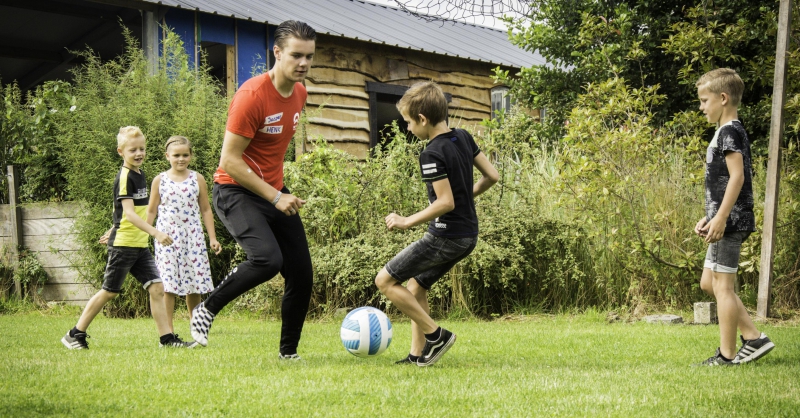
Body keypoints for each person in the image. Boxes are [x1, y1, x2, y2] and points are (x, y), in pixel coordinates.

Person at [190, 20, 316, 360]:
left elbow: (270, 152)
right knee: (266, 259)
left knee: (302, 274)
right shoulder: (251, 96)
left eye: (309, 57)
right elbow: (229, 161)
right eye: (296, 55)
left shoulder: (300, 93)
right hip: (234, 191)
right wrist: (275, 196)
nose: (303, 63)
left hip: (274, 191)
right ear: (277, 52)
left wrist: (278, 192)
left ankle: (288, 353)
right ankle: (207, 308)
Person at [374, 81, 499, 367]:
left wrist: (407, 221)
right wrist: (467, 194)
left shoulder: (430, 153)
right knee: (416, 286)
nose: (407, 128)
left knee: (385, 280)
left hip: (446, 236)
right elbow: (491, 176)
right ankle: (418, 354)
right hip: (467, 235)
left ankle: (436, 335)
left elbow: (445, 203)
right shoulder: (464, 137)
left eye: (407, 122)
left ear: (422, 119)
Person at [61, 126, 194, 349]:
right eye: (133, 150)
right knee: (109, 291)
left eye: (142, 148)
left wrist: (114, 226)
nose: (139, 153)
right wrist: (156, 233)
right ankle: (75, 333)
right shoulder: (124, 177)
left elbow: (126, 212)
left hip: (139, 245)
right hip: (124, 246)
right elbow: (130, 214)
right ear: (120, 151)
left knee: (157, 288)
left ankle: (167, 340)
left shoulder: (139, 174)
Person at [693, 68, 775, 366]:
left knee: (723, 287)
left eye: (704, 100)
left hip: (730, 223)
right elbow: (723, 183)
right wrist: (710, 217)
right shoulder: (725, 131)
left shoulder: (729, 131)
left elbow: (737, 178)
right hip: (723, 220)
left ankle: (727, 355)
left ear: (723, 98)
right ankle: (753, 337)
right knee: (708, 283)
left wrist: (721, 219)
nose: (702, 106)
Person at [147, 135, 222, 339]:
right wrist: (147, 231)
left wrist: (212, 238)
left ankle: (196, 327)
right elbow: (151, 211)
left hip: (193, 237)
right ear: (167, 156)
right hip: (167, 238)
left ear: (191, 155)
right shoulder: (159, 180)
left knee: (194, 285)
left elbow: (206, 209)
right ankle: (168, 331)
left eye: (185, 155)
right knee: (168, 285)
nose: (181, 159)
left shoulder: (197, 179)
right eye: (176, 155)